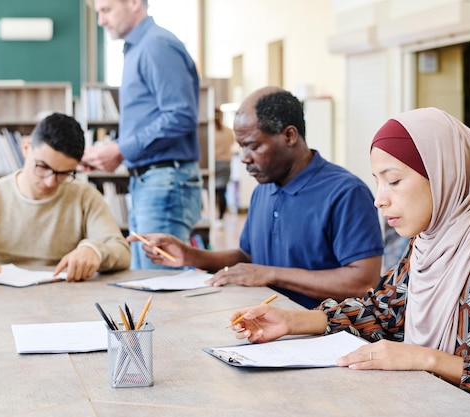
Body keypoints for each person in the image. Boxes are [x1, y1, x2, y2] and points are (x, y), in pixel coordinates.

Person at [228, 107, 470, 416]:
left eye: (393, 180)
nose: (379, 198)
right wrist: (292, 322)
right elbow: (384, 310)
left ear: (443, 174)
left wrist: (425, 359)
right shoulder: (425, 243)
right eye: (377, 181)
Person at [131, 87, 384, 309]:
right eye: (242, 147)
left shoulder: (346, 193)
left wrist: (271, 274)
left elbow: (362, 282)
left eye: (253, 146)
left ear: (289, 136)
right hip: (264, 326)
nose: (244, 157)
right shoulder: (264, 188)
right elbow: (249, 258)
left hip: (322, 336)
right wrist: (189, 255)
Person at [0, 113, 131, 281]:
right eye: (43, 167)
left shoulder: (85, 197)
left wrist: (95, 250)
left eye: (64, 173)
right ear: (25, 148)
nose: (51, 181)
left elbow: (122, 252)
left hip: (63, 297)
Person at [82, 0, 202, 270]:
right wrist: (116, 151)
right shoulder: (140, 48)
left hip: (164, 181)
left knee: (158, 285)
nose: (101, 21)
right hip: (151, 180)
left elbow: (181, 115)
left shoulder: (156, 45)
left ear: (134, 3)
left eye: (106, 10)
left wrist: (122, 149)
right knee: (146, 280)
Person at [213, 107, 235, 224]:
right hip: (225, 163)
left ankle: (211, 216)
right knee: (222, 191)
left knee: (212, 192)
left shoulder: (210, 131)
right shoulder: (228, 131)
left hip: (213, 163)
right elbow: (233, 143)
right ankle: (220, 219)